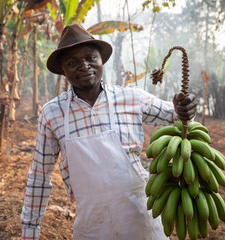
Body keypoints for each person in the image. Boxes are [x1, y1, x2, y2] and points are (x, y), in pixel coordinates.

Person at [21, 23, 197, 240]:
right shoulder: (52, 114)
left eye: (90, 58)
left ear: (101, 60)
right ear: (64, 70)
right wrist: (30, 230)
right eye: (72, 62)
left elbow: (176, 115)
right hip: (93, 227)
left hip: (141, 219)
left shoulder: (131, 98)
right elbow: (39, 176)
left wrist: (185, 108)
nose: (84, 66)